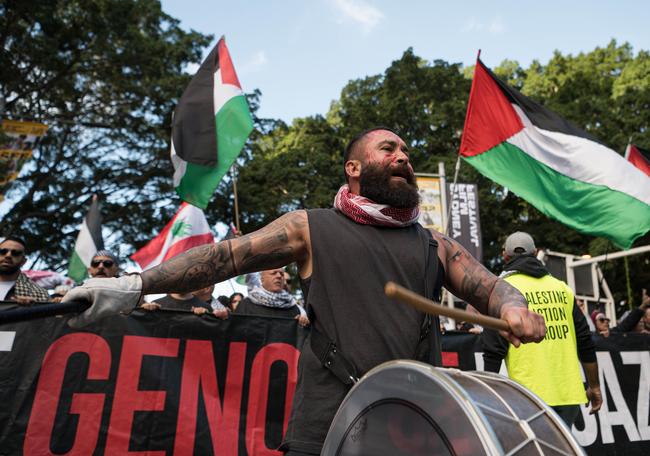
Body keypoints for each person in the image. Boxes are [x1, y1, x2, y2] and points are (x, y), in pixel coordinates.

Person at [64, 127, 545, 455]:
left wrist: (515, 306)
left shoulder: (434, 244)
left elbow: (491, 287)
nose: (403, 156)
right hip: (327, 426)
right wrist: (133, 285)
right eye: (388, 149)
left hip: (413, 427)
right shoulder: (309, 227)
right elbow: (225, 256)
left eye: (405, 151)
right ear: (353, 168)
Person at [482, 232, 602, 427]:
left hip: (526, 396)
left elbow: (493, 350)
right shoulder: (562, 288)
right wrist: (594, 386)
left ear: (505, 256)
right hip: (567, 394)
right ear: (536, 253)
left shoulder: (502, 291)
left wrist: (489, 397)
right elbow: (585, 341)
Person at [237, 269, 310, 327]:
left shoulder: (294, 306)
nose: (279, 276)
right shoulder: (246, 305)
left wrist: (302, 324)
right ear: (262, 279)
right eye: (273, 273)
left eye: (281, 274)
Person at [0, 236, 49, 303]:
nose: (8, 255)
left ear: (23, 261)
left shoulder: (40, 294)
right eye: (3, 251)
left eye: (16, 253)